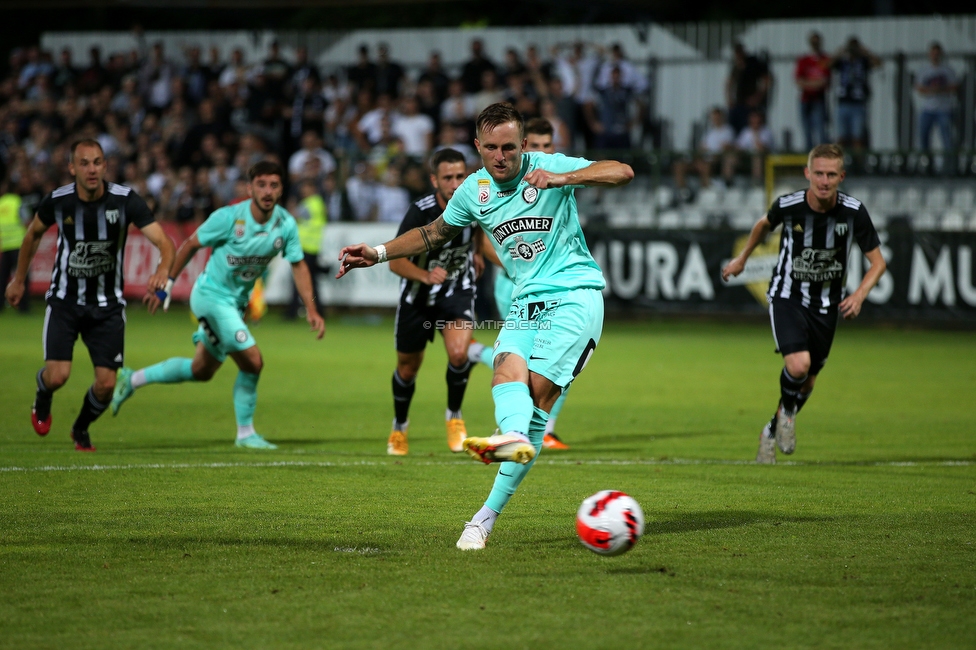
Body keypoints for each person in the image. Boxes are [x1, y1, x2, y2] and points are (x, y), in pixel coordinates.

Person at [336, 103, 633, 549]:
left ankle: (483, 517)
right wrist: (377, 253)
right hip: (526, 299)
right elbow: (433, 233)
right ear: (478, 147)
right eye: (491, 148)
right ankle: (509, 440)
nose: (501, 156)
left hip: (574, 296)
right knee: (503, 372)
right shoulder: (473, 190)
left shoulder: (548, 166)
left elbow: (622, 171)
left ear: (522, 145)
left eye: (509, 147)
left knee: (534, 398)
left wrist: (563, 179)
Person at [110, 161, 325, 449]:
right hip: (210, 297)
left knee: (202, 371)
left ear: (281, 189)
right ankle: (246, 433)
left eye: (274, 185)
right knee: (253, 360)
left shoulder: (285, 224)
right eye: (261, 184)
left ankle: (131, 379)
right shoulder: (228, 218)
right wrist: (167, 285)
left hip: (235, 305)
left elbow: (298, 266)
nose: (267, 191)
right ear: (250, 189)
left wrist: (311, 309)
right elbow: (189, 245)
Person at [4, 139, 176, 451]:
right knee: (57, 376)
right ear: (72, 168)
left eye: (97, 162)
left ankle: (80, 428)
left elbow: (165, 243)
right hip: (65, 302)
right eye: (84, 163)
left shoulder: (126, 201)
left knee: (107, 384)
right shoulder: (58, 201)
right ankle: (42, 397)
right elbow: (33, 235)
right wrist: (18, 281)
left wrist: (163, 270)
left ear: (105, 165)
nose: (92, 169)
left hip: (107, 306)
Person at [721, 144, 886, 464]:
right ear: (807, 173)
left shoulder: (853, 211)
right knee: (799, 366)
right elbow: (763, 225)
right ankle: (787, 418)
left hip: (827, 304)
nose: (824, 181)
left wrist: (859, 294)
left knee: (808, 381)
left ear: (842, 176)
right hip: (788, 296)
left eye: (831, 175)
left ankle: (772, 427)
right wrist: (742, 259)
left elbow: (877, 261)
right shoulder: (790, 205)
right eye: (819, 173)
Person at [468, 118, 570, 450]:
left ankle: (524, 429)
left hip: (553, 288)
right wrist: (521, 266)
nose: (541, 152)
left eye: (546, 146)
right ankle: (525, 428)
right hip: (513, 285)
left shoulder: (554, 178)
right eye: (535, 145)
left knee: (550, 363)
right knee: (522, 359)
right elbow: (486, 243)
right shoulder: (493, 186)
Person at [385, 148, 482, 456]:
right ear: (434, 180)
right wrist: (424, 276)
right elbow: (395, 263)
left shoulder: (476, 202)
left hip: (457, 291)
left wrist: (478, 253)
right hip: (417, 298)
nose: (455, 184)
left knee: (458, 353)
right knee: (408, 368)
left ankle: (454, 416)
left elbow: (481, 233)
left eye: (460, 176)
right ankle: (399, 425)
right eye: (448, 178)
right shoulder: (421, 211)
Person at [831, 37, 881, 153]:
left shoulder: (863, 61)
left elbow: (878, 63)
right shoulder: (843, 62)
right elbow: (828, 65)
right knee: (841, 138)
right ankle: (840, 165)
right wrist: (840, 51)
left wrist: (865, 52)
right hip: (842, 103)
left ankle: (857, 166)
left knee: (857, 138)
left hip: (858, 104)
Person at [286, 178, 327, 321]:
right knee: (312, 281)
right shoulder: (317, 203)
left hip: (305, 247)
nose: (303, 190)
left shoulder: (311, 203)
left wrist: (291, 205)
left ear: (313, 188)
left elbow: (292, 216)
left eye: (306, 187)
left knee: (299, 279)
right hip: (312, 247)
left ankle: (292, 311)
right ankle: (318, 310)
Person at [914, 42, 958, 156]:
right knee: (923, 137)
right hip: (928, 108)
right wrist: (931, 90)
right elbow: (919, 88)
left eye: (937, 53)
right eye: (933, 53)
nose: (935, 56)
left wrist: (940, 89)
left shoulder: (947, 70)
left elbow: (954, 87)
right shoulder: (924, 70)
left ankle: (949, 167)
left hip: (944, 109)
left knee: (947, 138)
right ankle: (927, 164)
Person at [795, 31, 831, 151]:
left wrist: (809, 84)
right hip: (805, 100)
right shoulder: (804, 60)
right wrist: (813, 84)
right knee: (807, 132)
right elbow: (799, 80)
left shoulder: (825, 59)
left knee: (821, 131)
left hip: (819, 100)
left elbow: (825, 81)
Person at [0, 179, 29, 313]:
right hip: (19, 245)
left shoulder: (1, 203)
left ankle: (1, 305)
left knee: (3, 277)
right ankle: (23, 306)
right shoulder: (18, 201)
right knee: (22, 276)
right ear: (16, 189)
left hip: (5, 245)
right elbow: (27, 221)